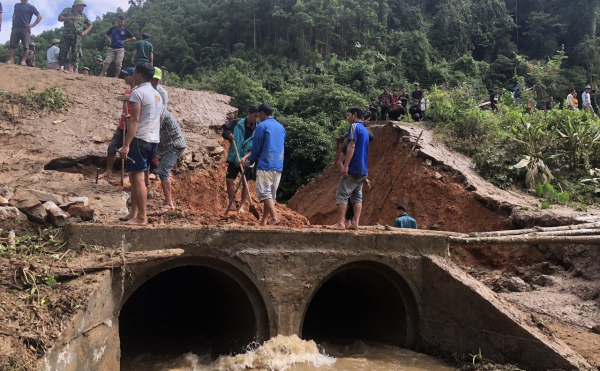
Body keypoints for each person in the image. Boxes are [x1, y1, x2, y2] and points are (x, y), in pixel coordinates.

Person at [118, 62, 162, 226]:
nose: (132, 75)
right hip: (153, 140)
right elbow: (150, 116)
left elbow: (135, 120)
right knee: (138, 176)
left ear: (139, 75)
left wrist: (126, 145)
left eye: (134, 73)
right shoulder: (156, 94)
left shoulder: (137, 93)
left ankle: (142, 217)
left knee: (137, 179)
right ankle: (133, 213)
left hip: (140, 140)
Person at [242, 103, 286, 226]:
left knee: (264, 192)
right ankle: (264, 221)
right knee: (271, 195)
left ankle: (274, 217)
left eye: (258, 115)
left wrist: (250, 161)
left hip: (266, 164)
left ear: (262, 113)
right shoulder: (281, 127)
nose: (258, 117)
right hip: (278, 164)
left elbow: (256, 147)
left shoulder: (262, 126)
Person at [330, 106, 369, 230]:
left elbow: (351, 145)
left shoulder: (354, 127)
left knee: (342, 194)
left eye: (348, 115)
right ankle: (355, 223)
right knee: (357, 196)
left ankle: (341, 223)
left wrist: (346, 165)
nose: (347, 118)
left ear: (355, 114)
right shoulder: (365, 131)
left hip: (353, 167)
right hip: (363, 169)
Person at [99, 67, 136, 179]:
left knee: (131, 150)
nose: (124, 77)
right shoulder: (127, 91)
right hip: (122, 125)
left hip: (132, 126)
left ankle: (128, 173)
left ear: (133, 77)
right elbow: (125, 108)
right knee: (112, 148)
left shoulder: (138, 92)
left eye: (127, 75)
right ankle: (109, 170)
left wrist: (130, 117)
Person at [222, 105, 259, 213]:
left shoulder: (258, 129)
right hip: (235, 156)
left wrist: (246, 157)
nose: (256, 119)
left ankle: (241, 206)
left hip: (247, 160)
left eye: (257, 117)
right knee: (229, 180)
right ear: (249, 114)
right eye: (254, 116)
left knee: (245, 183)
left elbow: (256, 147)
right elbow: (225, 130)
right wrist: (228, 134)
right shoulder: (236, 123)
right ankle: (232, 204)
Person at [155, 108, 186, 216]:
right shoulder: (154, 111)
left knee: (163, 171)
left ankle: (169, 203)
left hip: (174, 146)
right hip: (165, 147)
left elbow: (152, 128)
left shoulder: (160, 113)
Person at [58, 0, 92, 73]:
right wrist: (69, 18)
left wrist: (85, 32)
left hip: (77, 36)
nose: (83, 8)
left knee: (75, 52)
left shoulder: (83, 15)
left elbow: (90, 24)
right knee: (63, 50)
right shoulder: (67, 10)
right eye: (82, 6)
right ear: (77, 6)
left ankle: (72, 68)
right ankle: (59, 66)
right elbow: (60, 18)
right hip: (66, 34)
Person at [8, 0, 41, 66]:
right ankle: (11, 60)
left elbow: (39, 16)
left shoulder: (31, 7)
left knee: (26, 46)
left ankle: (23, 61)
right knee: (12, 45)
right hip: (15, 27)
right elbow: (14, 14)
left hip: (25, 28)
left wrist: (33, 25)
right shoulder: (16, 5)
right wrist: (13, 22)